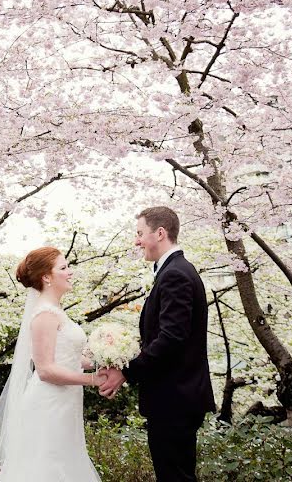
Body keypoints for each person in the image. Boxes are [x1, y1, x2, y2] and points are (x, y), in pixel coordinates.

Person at [98, 206, 216, 482]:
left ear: (160, 233)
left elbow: (171, 338)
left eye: (140, 234)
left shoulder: (175, 274)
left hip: (174, 398)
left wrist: (126, 372)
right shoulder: (173, 271)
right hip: (175, 398)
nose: (136, 241)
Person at [0, 246, 105, 481]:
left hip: (66, 401)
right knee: (49, 465)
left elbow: (68, 357)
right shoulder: (44, 315)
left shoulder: (57, 311)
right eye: (64, 268)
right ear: (46, 277)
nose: (70, 272)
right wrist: (92, 380)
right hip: (49, 403)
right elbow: (46, 369)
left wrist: (105, 361)